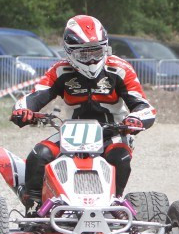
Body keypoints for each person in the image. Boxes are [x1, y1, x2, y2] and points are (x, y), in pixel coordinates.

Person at [9, 15, 156, 214]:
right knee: (39, 155)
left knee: (120, 157)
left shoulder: (120, 69)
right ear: (69, 52)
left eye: (97, 51)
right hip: (73, 132)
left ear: (106, 47)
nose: (92, 59)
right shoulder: (60, 71)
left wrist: (135, 119)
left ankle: (114, 205)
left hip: (114, 131)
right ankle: (36, 209)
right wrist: (23, 110)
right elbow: (37, 95)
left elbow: (143, 105)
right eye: (84, 54)